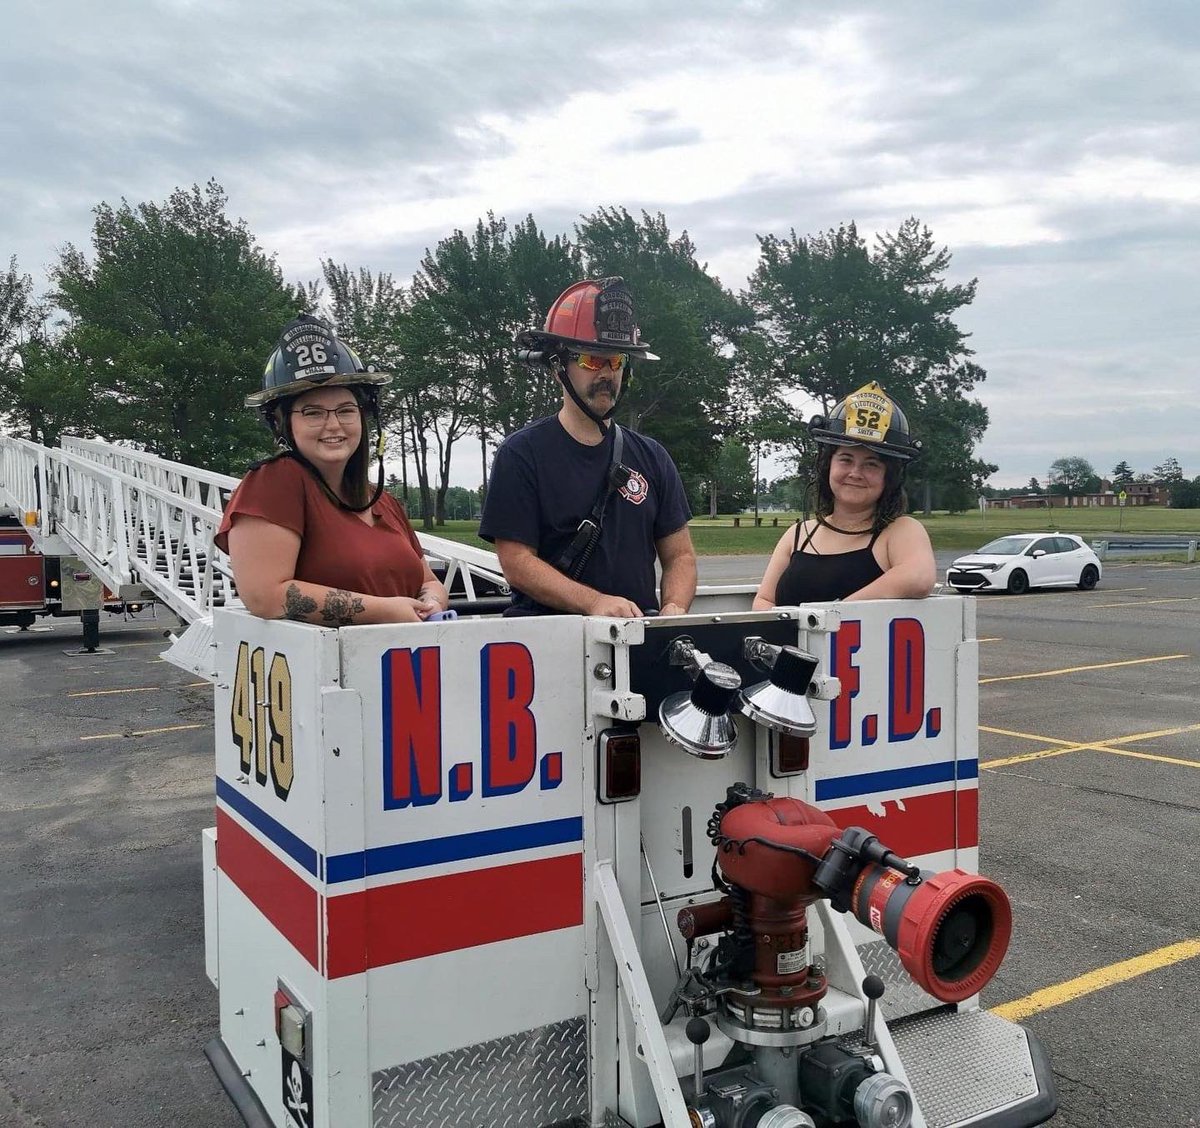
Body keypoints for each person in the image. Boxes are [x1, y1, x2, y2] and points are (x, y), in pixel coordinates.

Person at [480, 277, 696, 618]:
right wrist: (595, 603)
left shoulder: (652, 456)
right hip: (550, 647)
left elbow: (680, 556)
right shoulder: (521, 454)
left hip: (636, 647)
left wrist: (674, 607)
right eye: (592, 361)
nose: (607, 373)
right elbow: (517, 562)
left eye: (617, 362)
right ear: (557, 367)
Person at [216, 313, 449, 625]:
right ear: (284, 424)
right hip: (327, 670)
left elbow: (428, 581)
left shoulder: (383, 501)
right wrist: (386, 611)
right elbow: (265, 596)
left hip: (401, 665)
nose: (333, 424)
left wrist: (432, 601)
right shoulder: (273, 484)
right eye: (313, 413)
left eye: (346, 410)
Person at [754, 381, 936, 607]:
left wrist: (832, 616)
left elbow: (918, 578)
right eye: (846, 459)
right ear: (827, 466)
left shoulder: (901, 531)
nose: (855, 473)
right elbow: (763, 600)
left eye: (871, 464)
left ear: (888, 477)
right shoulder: (798, 535)